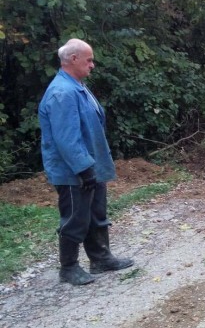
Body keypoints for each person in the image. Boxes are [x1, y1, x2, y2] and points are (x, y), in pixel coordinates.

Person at [38, 39, 134, 285]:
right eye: (89, 60)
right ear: (73, 59)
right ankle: (68, 268)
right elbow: (66, 138)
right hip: (73, 171)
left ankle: (100, 258)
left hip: (91, 165)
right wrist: (83, 169)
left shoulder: (77, 86)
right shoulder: (63, 92)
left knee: (95, 213)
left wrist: (92, 167)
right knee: (75, 218)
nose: (92, 65)